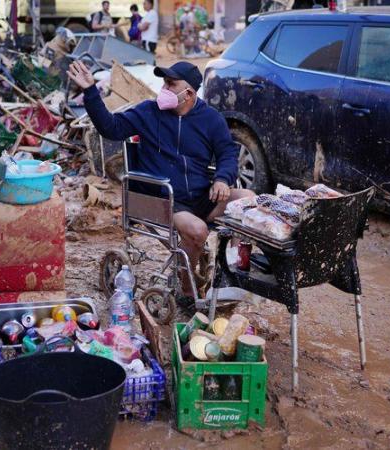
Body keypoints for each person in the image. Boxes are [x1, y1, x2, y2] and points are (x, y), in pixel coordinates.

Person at [68, 60, 254, 303]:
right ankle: (187, 291)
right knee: (197, 231)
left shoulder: (211, 119)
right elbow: (110, 128)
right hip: (165, 200)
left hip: (202, 196)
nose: (164, 89)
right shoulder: (148, 112)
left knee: (249, 201)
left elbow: (228, 154)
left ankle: (232, 269)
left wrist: (222, 179)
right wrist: (90, 91)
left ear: (188, 93)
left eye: (170, 84)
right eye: (164, 82)